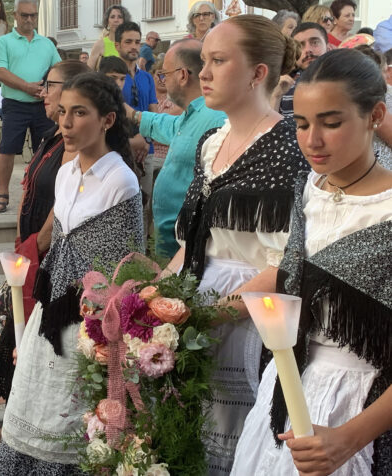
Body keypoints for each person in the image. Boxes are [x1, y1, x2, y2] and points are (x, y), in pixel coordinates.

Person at [232, 48, 392, 476]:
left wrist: (349, 439)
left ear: (375, 115)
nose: (312, 140)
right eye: (301, 124)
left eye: (332, 122)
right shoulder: (309, 188)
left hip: (361, 407)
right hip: (286, 391)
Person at [163, 15, 308, 475]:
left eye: (218, 61)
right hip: (196, 312)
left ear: (258, 73)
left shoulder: (291, 144)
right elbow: (195, 241)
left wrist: (211, 315)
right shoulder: (211, 140)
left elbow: (291, 261)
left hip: (254, 323)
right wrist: (149, 293)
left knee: (239, 444)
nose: (203, 73)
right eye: (204, 60)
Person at [0, 72, 142, 475]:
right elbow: (59, 248)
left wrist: (104, 341)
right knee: (31, 412)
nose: (66, 123)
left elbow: (123, 269)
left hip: (89, 325)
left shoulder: (121, 181)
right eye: (63, 112)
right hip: (52, 312)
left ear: (107, 120)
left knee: (72, 423)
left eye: (79, 113)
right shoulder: (66, 173)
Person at [0, 59, 91, 456]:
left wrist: (31, 249)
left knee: (25, 345)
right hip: (30, 254)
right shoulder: (50, 137)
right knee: (16, 341)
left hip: (45, 259)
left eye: (51, 85)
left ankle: (14, 431)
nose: (43, 92)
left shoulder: (76, 148)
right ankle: (11, 428)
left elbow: (60, 211)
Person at [127, 40, 226, 259]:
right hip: (172, 243)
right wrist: (131, 114)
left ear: (182, 75)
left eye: (164, 75)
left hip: (188, 250)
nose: (162, 81)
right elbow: (166, 125)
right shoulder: (192, 115)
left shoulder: (216, 117)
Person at [0, 0, 61, 213]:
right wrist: (27, 87)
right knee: (7, 149)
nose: (29, 19)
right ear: (15, 15)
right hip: (15, 104)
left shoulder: (47, 44)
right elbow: (0, 72)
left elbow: (58, 69)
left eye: (33, 15)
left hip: (42, 105)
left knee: (47, 150)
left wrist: (47, 88)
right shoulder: (4, 42)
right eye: (25, 15)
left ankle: (44, 194)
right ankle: (3, 193)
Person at [115, 22, 158, 235]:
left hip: (146, 150)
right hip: (118, 149)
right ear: (117, 45)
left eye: (137, 42)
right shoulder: (111, 75)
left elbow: (153, 110)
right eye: (128, 41)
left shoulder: (147, 77)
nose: (134, 46)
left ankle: (140, 256)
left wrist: (146, 139)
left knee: (144, 205)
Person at [271, 22, 329, 117]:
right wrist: (275, 97)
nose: (308, 50)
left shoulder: (345, 80)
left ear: (328, 46)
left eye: (314, 43)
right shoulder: (284, 87)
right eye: (301, 46)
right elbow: (271, 130)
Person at [87, 4, 132, 69]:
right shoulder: (100, 44)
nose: (116, 20)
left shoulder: (130, 45)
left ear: (125, 21)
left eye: (120, 17)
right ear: (107, 21)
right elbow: (88, 71)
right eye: (112, 17)